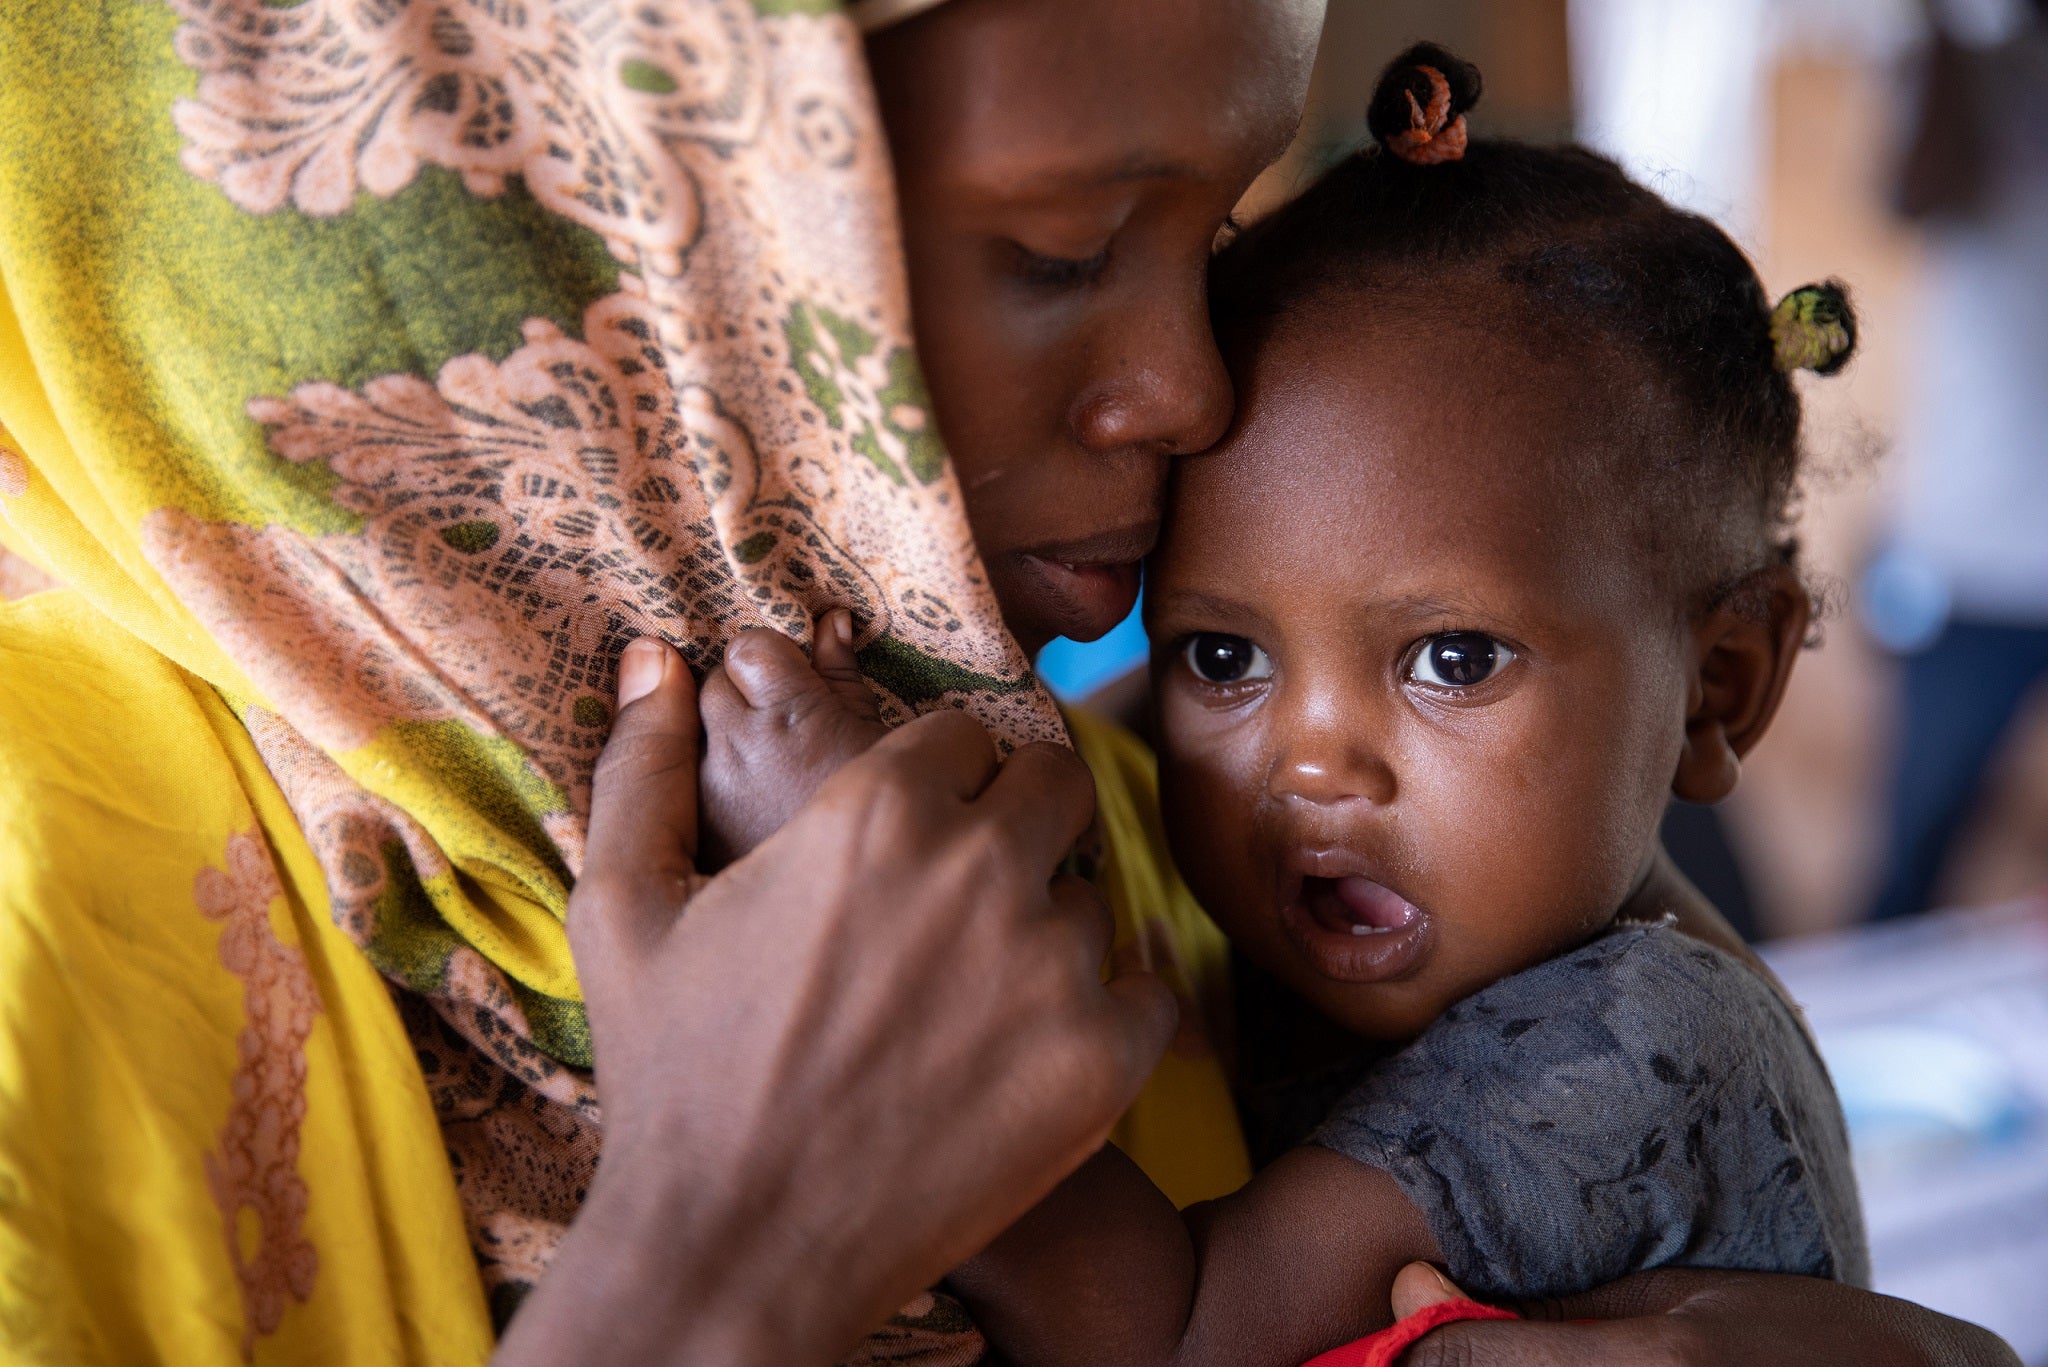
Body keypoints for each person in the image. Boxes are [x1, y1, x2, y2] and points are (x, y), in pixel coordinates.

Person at [0, 3, 2017, 1366]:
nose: (1193, 390)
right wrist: (705, 1265)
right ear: (545, 231)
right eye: (1058, 247)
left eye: (1212, 235)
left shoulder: (1046, 787)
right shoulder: (53, 929)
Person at [682, 42, 1871, 1363]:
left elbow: (1179, 1333)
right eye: (1226, 656)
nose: (1308, 762)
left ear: (1722, 684)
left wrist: (845, 885)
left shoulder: (1633, 1035)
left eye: (1455, 659)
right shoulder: (1390, 868)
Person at [1862, 0, 2048, 922]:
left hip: (1976, 545)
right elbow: (1912, 190)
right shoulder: (1970, 71)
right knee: (1915, 848)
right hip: (1974, 553)